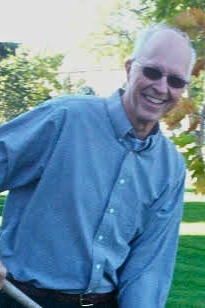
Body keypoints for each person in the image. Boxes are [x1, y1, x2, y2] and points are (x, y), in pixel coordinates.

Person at [0, 22, 196, 308]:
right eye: (152, 72)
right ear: (130, 69)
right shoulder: (64, 118)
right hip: (20, 298)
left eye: (176, 81)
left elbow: (148, 268)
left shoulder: (171, 169)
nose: (161, 87)